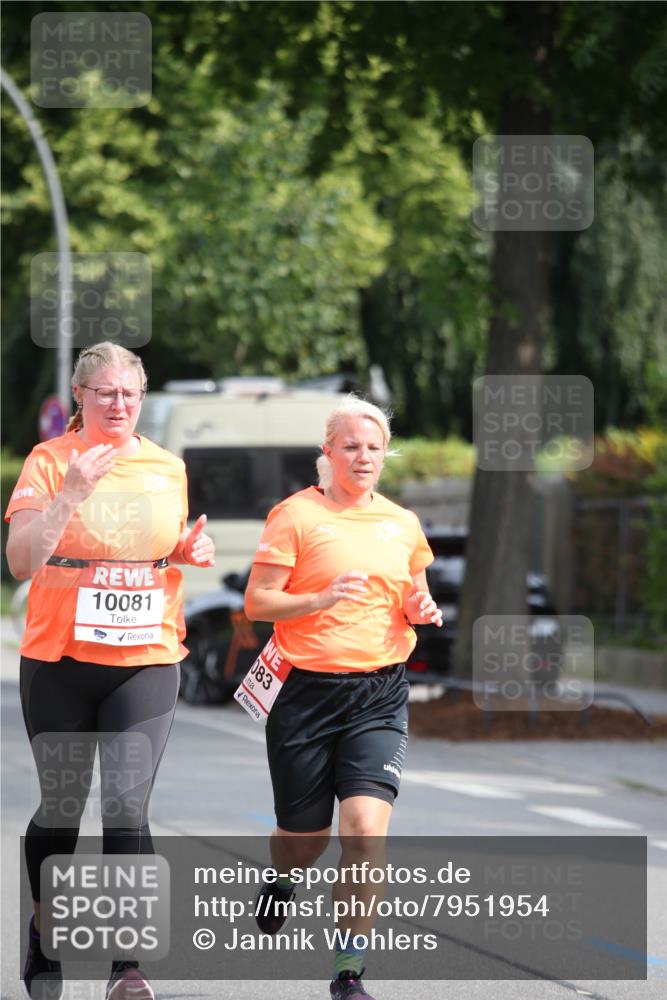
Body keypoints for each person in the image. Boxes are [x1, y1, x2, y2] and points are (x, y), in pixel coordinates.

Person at [5, 343, 215, 1000]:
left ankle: (127, 967)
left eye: (129, 394)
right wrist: (71, 493)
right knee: (62, 810)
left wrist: (186, 549)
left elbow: (161, 546)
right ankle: (44, 928)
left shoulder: (167, 467)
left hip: (145, 659)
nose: (118, 404)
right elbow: (21, 561)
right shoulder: (49, 462)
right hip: (60, 660)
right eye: (105, 393)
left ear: (142, 397)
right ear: (81, 397)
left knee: (127, 805)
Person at [244, 395, 442, 1000]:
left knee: (364, 832)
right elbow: (258, 602)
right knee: (305, 839)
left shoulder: (402, 523)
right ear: (327, 452)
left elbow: (413, 596)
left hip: (379, 692)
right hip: (305, 693)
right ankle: (283, 879)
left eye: (374, 447)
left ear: (386, 455)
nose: (363, 457)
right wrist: (319, 599)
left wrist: (421, 608)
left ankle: (348, 972)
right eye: (351, 446)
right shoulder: (296, 515)